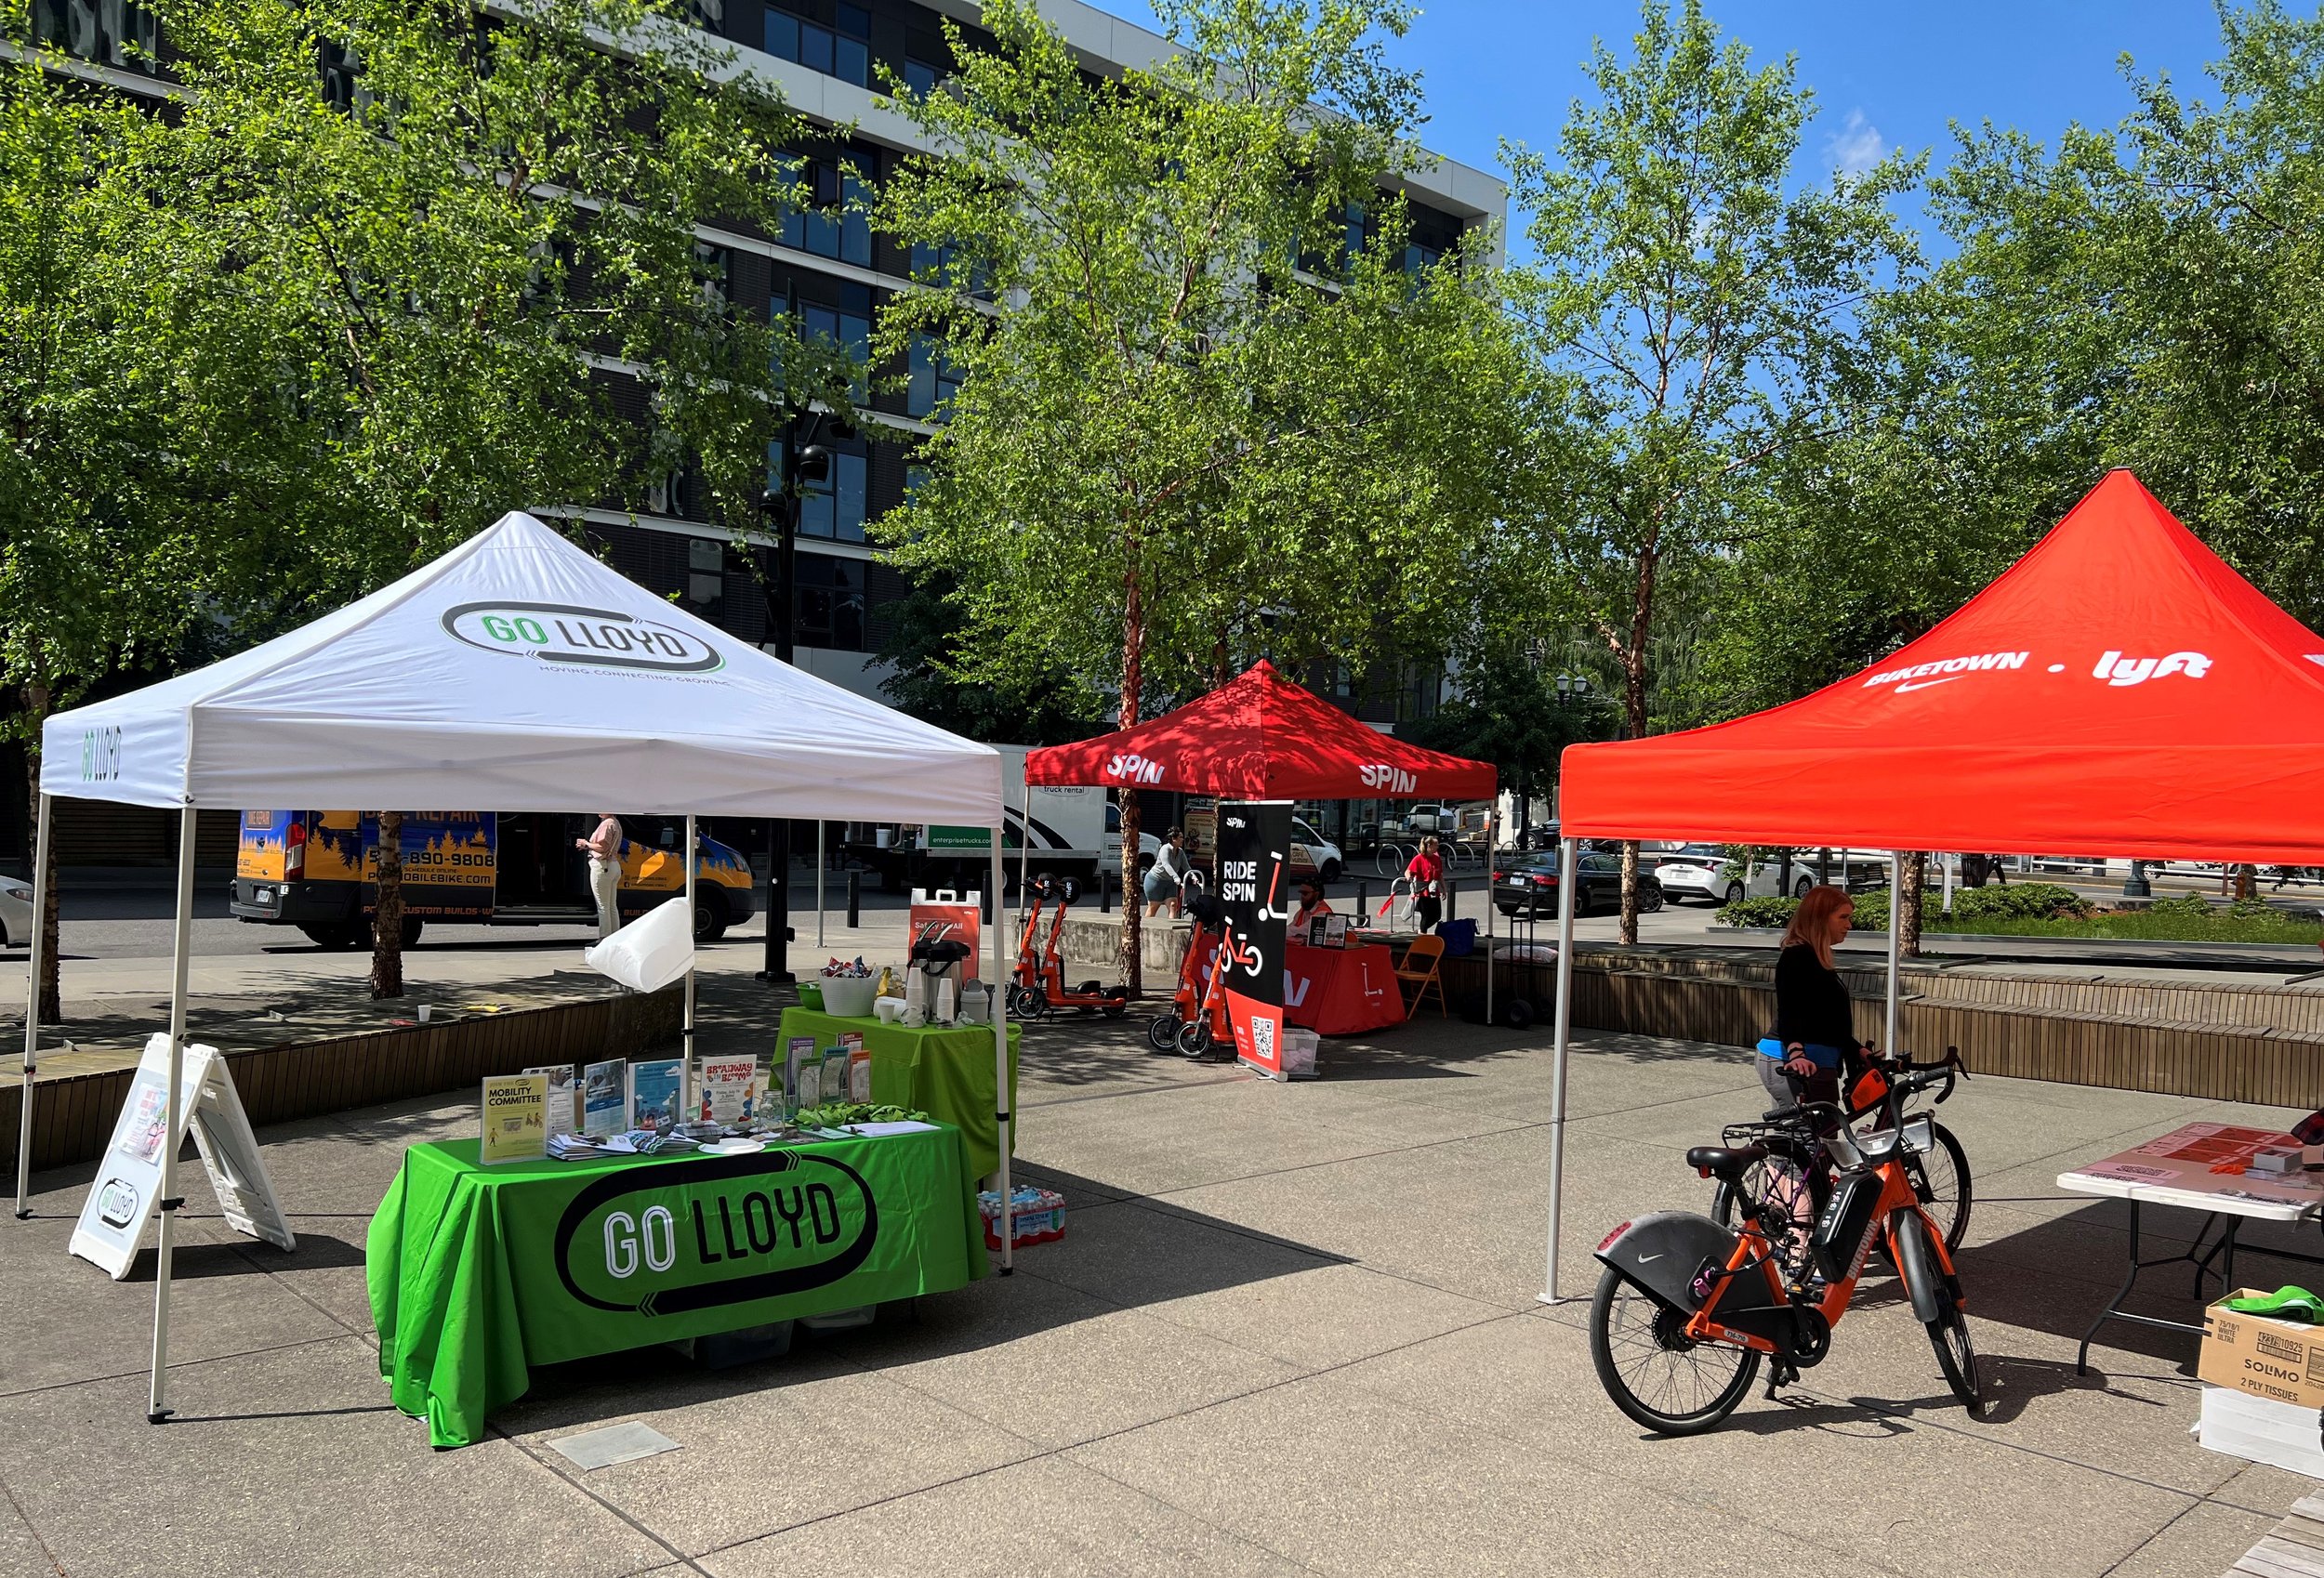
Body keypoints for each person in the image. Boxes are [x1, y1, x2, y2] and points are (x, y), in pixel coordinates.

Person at [1758, 884, 1871, 1109]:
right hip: (1797, 1062)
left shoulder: (1816, 957)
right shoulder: (1797, 957)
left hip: (1815, 1061)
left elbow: (1824, 1020)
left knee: (1807, 1137)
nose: (1849, 925)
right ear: (1820, 918)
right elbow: (1790, 1010)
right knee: (1816, 1137)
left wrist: (1857, 1050)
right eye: (1843, 917)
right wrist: (1797, 1054)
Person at [575, 812, 625, 940]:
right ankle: (614, 937)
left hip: (602, 866)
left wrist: (586, 844)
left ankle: (604, 938)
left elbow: (602, 846)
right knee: (611, 906)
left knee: (602, 906)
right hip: (614, 865)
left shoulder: (606, 824)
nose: (599, 810)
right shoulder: (616, 822)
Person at [1145, 827, 1191, 919]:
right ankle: (1144, 930)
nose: (1182, 839)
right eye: (1180, 837)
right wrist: (1175, 877)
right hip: (1156, 881)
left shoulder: (1180, 852)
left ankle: (1171, 931)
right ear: (1174, 839)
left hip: (1170, 882)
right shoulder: (1165, 849)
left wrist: (1193, 876)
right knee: (1154, 907)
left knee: (1173, 905)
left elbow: (1186, 867)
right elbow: (1166, 865)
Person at [1404, 835, 1446, 934]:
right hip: (1422, 891)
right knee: (1426, 915)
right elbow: (1408, 871)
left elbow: (1439, 875)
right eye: (1435, 845)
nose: (1437, 847)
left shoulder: (1437, 858)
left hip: (1433, 890)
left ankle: (1420, 930)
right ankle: (1422, 934)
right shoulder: (1419, 858)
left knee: (1437, 916)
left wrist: (1444, 889)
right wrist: (1408, 877)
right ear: (1429, 846)